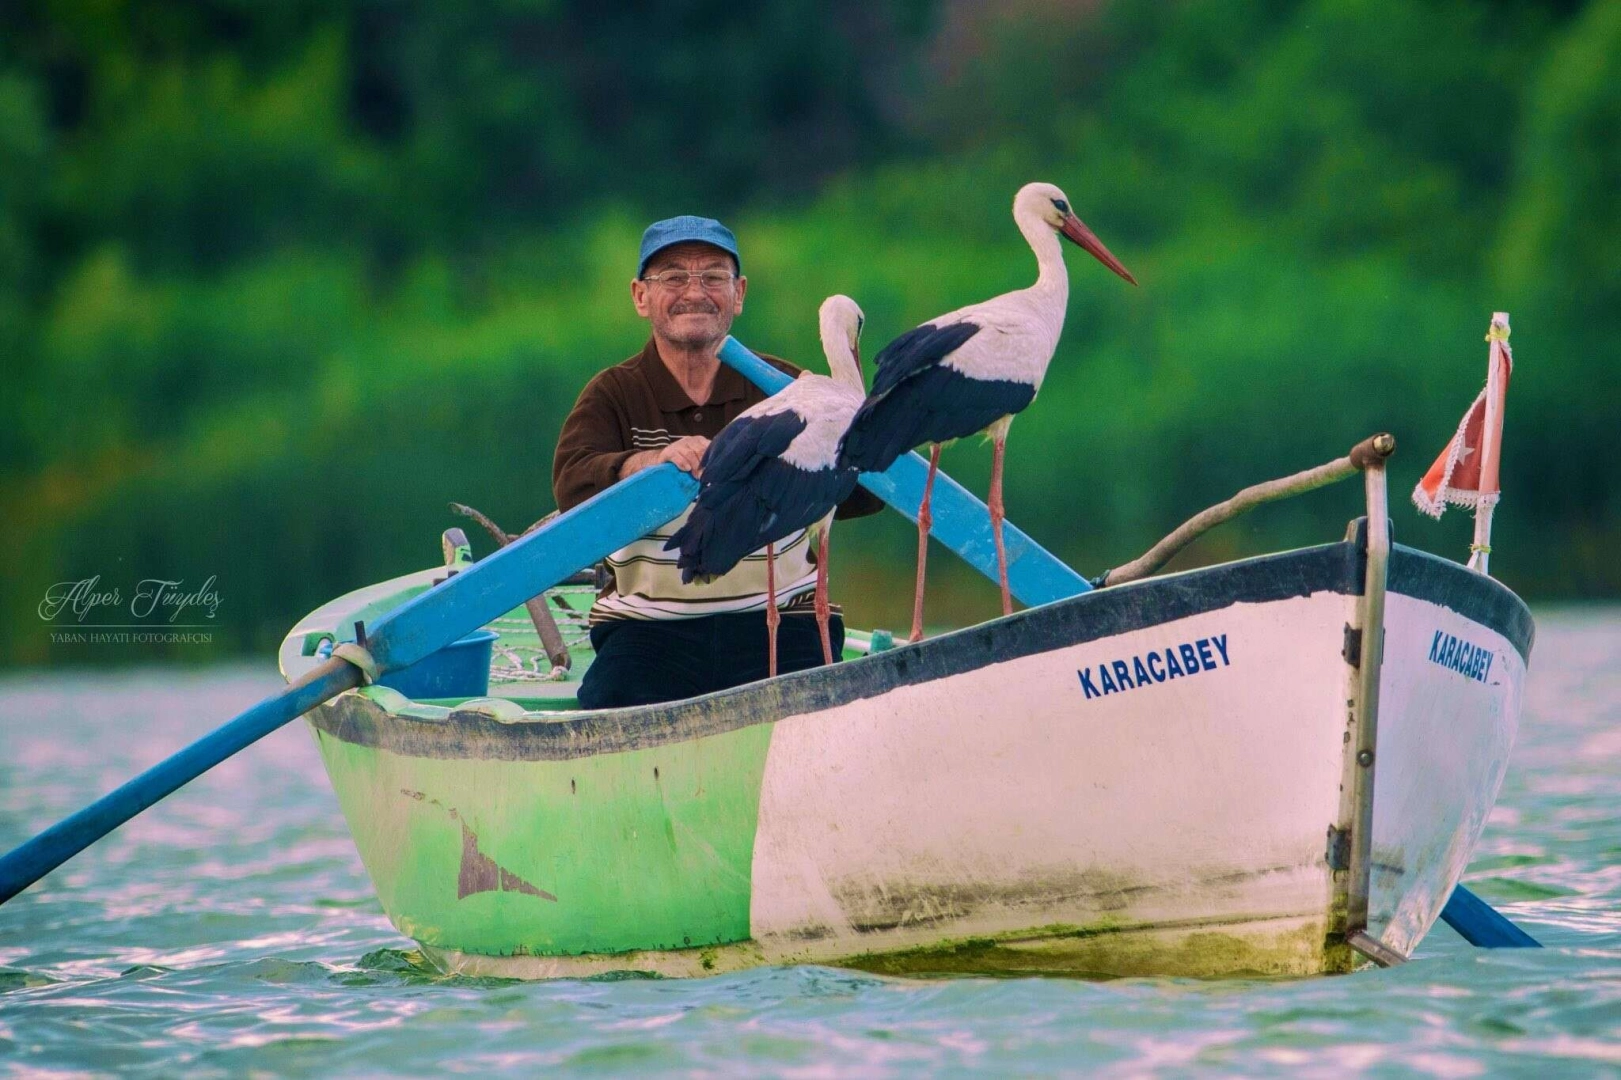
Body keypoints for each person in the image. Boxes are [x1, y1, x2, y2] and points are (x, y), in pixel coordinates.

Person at [552, 215, 882, 709]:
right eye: (673, 277)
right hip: (649, 628)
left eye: (712, 276)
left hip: (781, 617)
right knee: (610, 704)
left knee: (825, 714)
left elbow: (868, 493)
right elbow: (571, 487)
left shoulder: (788, 388)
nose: (694, 291)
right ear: (641, 296)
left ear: (739, 293)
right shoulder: (613, 394)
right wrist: (646, 463)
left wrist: (842, 424)